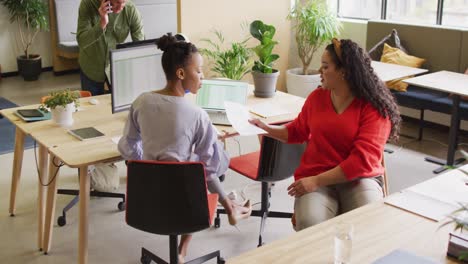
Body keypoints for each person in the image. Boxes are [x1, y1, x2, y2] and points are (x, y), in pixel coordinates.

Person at [118, 33, 251, 263]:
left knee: (192, 168)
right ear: (181, 73)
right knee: (211, 166)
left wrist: (146, 165)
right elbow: (210, 171)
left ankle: (224, 212)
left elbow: (128, 146)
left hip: (147, 202)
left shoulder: (141, 102)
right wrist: (215, 142)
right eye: (199, 71)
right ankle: (229, 208)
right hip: (188, 207)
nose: (202, 76)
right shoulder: (198, 116)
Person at [250, 38, 401, 231]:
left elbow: (361, 162)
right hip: (317, 174)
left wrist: (315, 181)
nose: (319, 72)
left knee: (368, 223)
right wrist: (266, 128)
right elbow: (297, 131)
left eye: (325, 66)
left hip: (359, 179)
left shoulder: (374, 108)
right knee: (310, 224)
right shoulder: (317, 98)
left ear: (344, 72)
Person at [77, 0, 144, 95]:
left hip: (116, 69)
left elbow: (140, 45)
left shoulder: (131, 9)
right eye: (117, 2)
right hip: (91, 67)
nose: (120, 7)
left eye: (124, 2)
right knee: (93, 107)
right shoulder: (88, 4)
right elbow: (82, 41)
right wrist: (102, 23)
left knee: (119, 107)